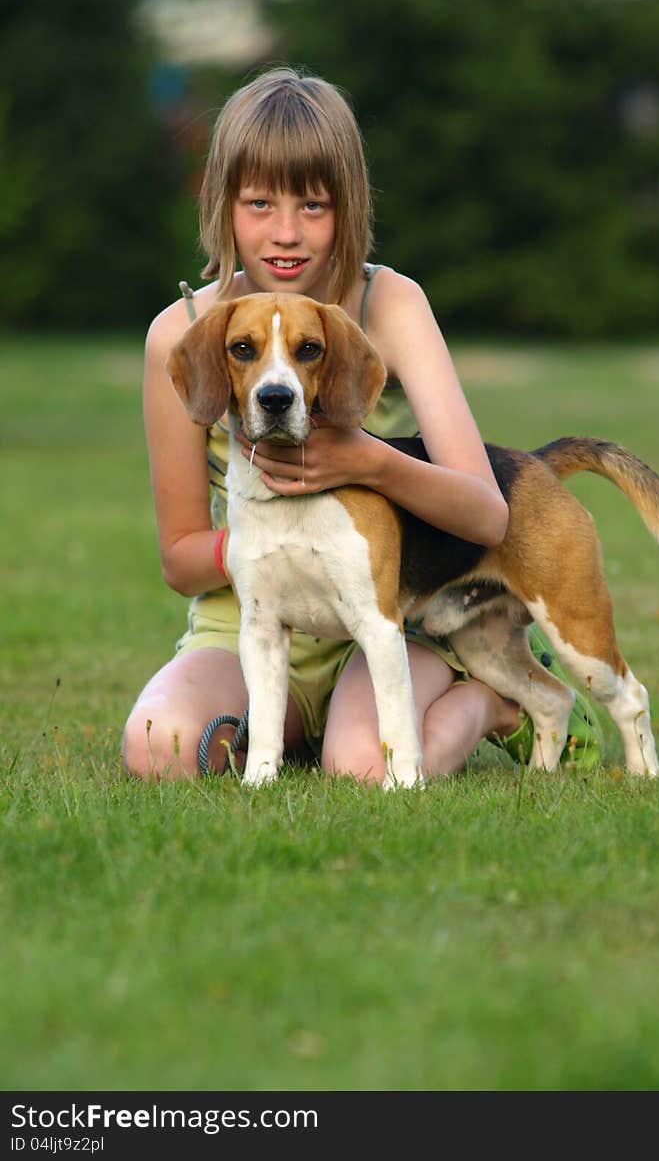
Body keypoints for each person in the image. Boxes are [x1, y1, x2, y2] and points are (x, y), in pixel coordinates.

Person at [122, 67, 599, 782]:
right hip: (253, 619)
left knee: (364, 766)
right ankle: (291, 731)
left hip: (394, 615)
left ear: (348, 207)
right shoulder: (182, 336)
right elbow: (180, 556)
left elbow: (486, 512)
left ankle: (492, 702)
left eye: (313, 206)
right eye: (259, 203)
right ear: (221, 205)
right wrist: (280, 551)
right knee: (159, 744)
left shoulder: (393, 304)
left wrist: (368, 463)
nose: (286, 232)